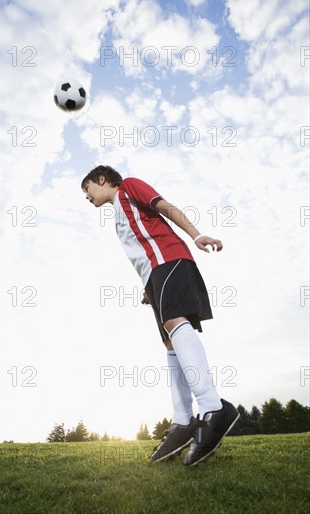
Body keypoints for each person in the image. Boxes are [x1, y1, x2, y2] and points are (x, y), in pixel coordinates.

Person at [81, 165, 239, 466]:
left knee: (175, 325)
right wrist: (148, 288)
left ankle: (213, 407)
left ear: (101, 179)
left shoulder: (129, 186)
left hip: (170, 260)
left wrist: (196, 234)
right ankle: (182, 422)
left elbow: (164, 207)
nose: (86, 196)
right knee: (169, 343)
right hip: (155, 276)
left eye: (86, 189)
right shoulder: (117, 212)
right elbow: (140, 246)